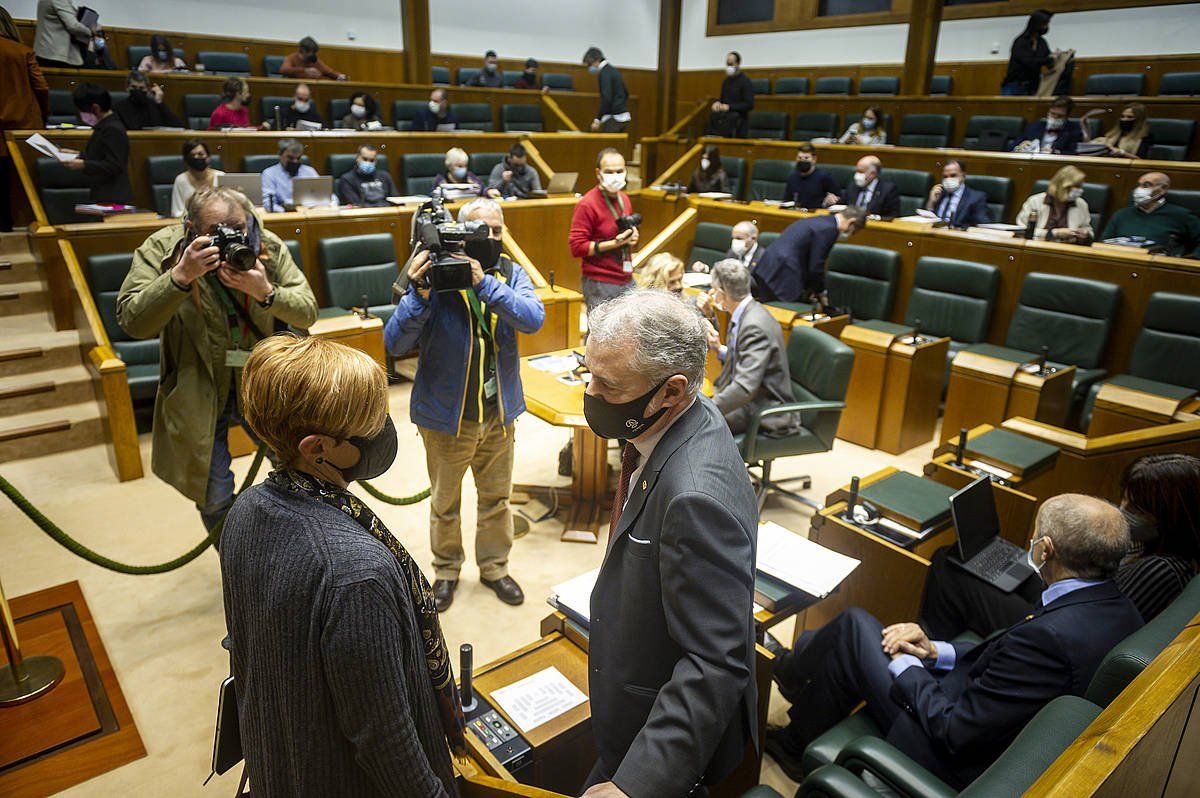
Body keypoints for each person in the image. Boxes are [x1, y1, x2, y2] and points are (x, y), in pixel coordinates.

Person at [765, 494, 1143, 787]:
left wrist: (909, 668)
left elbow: (955, 732)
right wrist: (936, 651)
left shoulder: (1049, 639)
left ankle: (793, 680)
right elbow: (1005, 654)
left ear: (1045, 550)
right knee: (854, 648)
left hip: (948, 755)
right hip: (985, 712)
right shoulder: (1121, 608)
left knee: (853, 627)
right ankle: (796, 713)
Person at [223, 334, 459, 797]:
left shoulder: (247, 507)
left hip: (281, 762)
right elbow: (385, 740)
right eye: (368, 425)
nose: (382, 432)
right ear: (318, 449)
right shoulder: (356, 573)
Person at [580, 290, 759, 797]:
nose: (590, 393)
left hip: (659, 736)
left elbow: (715, 662)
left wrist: (637, 785)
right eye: (588, 372)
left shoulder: (693, 498)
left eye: (608, 385)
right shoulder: (681, 420)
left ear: (670, 391)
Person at [117, 187, 317, 531]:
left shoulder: (264, 244)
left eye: (237, 228)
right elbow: (132, 321)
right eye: (215, 231)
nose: (230, 237)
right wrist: (179, 277)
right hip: (199, 383)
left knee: (300, 470)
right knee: (214, 494)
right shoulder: (163, 249)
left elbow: (307, 311)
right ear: (191, 227)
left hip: (261, 381)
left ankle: (297, 552)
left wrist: (265, 292)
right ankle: (238, 562)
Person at [384, 197, 545, 612]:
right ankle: (446, 571)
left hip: (499, 415)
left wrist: (484, 284)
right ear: (460, 232)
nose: (489, 237)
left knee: (497, 499)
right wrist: (419, 295)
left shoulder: (508, 272)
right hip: (446, 417)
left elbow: (532, 318)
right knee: (445, 503)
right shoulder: (433, 273)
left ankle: (494, 568)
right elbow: (395, 343)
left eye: (496, 230)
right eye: (480, 230)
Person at [920, 454, 1200, 641]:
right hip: (1063, 601)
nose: (1122, 511)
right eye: (1123, 501)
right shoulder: (1153, 546)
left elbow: (1093, 619)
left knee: (948, 565)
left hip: (1052, 623)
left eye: (1135, 508)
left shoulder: (1161, 570)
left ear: (1169, 518)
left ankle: (930, 646)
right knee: (969, 556)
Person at [702, 258, 798, 436]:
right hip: (748, 399)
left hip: (763, 409)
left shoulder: (754, 325)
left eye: (714, 291)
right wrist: (720, 349)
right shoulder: (746, 312)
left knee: (695, 428)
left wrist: (708, 409)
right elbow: (743, 357)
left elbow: (745, 388)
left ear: (722, 294)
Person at [568, 147, 639, 312]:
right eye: (609, 172)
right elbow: (577, 247)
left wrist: (631, 238)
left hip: (626, 277)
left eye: (619, 171)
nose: (615, 176)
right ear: (598, 173)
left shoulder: (624, 199)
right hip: (600, 281)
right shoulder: (587, 204)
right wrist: (614, 243)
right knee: (600, 335)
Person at [752, 207, 867, 304]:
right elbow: (816, 266)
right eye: (854, 231)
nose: (850, 235)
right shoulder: (829, 230)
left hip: (767, 265)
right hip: (784, 275)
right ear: (851, 222)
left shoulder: (819, 220)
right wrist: (821, 293)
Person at [0, 7, 48, 232]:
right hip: (24, 130)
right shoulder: (22, 51)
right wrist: (43, 118)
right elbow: (41, 87)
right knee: (22, 186)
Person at [61, 83, 134, 205]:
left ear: (95, 108)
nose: (82, 115)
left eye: (82, 111)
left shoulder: (113, 129)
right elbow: (100, 155)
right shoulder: (104, 125)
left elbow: (114, 165)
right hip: (103, 192)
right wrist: (78, 154)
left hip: (113, 196)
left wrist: (83, 164)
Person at [1101, 172, 1200, 257]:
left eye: (1146, 185)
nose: (1139, 189)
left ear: (1163, 189)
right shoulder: (1121, 214)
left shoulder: (1182, 215)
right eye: (1138, 185)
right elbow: (1103, 244)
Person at [1014, 164, 1093, 243]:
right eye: (1076, 186)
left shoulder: (1081, 204)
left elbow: (1089, 231)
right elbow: (1022, 229)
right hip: (1038, 246)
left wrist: (1085, 234)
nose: (1080, 190)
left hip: (1069, 250)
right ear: (1062, 186)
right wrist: (1054, 233)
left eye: (1080, 187)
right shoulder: (1035, 201)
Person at [1001, 9, 1063, 96]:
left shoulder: (1042, 42)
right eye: (1045, 24)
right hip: (1014, 86)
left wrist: (1057, 56)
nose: (1046, 27)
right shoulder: (1020, 41)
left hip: (1032, 87)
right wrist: (1049, 58)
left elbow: (1049, 64)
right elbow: (1029, 62)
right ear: (1036, 24)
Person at [1013, 96, 1094, 155]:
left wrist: (1055, 152)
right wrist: (1018, 147)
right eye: (1052, 114)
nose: (1054, 118)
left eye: (1059, 116)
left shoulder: (1073, 130)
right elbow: (1011, 147)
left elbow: (1075, 152)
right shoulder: (1034, 127)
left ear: (1067, 117)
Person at [925, 159, 991, 228]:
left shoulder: (976, 197)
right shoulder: (939, 194)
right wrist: (931, 202)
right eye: (945, 176)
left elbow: (983, 225)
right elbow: (926, 220)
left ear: (963, 176)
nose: (948, 179)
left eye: (953, 175)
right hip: (934, 234)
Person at [170, 138, 224, 217]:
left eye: (200, 154)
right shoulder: (181, 180)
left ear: (208, 157)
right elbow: (177, 212)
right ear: (186, 160)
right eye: (192, 155)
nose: (196, 157)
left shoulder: (221, 176)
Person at [113, 70, 183, 130]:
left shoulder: (156, 105)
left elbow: (177, 125)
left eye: (141, 88)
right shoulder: (118, 108)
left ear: (148, 89)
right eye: (134, 87)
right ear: (127, 88)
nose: (137, 91)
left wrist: (160, 103)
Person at [262, 139, 319, 212]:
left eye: (298, 158)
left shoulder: (309, 171)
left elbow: (328, 196)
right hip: (284, 216)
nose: (295, 161)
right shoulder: (269, 174)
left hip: (311, 213)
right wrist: (286, 212)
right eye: (290, 158)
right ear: (280, 155)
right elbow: (268, 204)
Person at [33, 0, 93, 68]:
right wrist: (91, 31)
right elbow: (73, 26)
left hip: (43, 52)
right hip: (56, 55)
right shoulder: (60, 1)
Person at [582, 47, 629, 133]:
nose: (589, 68)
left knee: (606, 145)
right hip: (624, 117)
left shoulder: (604, 73)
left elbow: (606, 98)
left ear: (595, 61)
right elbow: (626, 93)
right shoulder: (613, 70)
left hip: (614, 119)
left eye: (589, 64)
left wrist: (597, 119)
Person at [708, 51, 754, 138]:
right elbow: (722, 99)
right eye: (727, 64)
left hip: (739, 121)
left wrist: (730, 107)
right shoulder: (726, 81)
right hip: (724, 118)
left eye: (731, 64)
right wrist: (718, 103)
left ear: (738, 64)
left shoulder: (745, 82)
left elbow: (749, 104)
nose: (729, 66)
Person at [784, 143, 840, 210]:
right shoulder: (792, 177)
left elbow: (838, 197)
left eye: (806, 158)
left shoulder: (824, 177)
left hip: (817, 214)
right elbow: (787, 200)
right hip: (796, 212)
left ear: (814, 159)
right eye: (799, 158)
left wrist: (831, 200)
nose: (802, 160)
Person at [280, 36, 346, 81]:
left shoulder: (314, 60)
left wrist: (340, 76)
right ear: (303, 51)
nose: (314, 55)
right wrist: (305, 70)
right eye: (312, 52)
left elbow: (329, 72)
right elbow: (283, 70)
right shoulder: (291, 58)